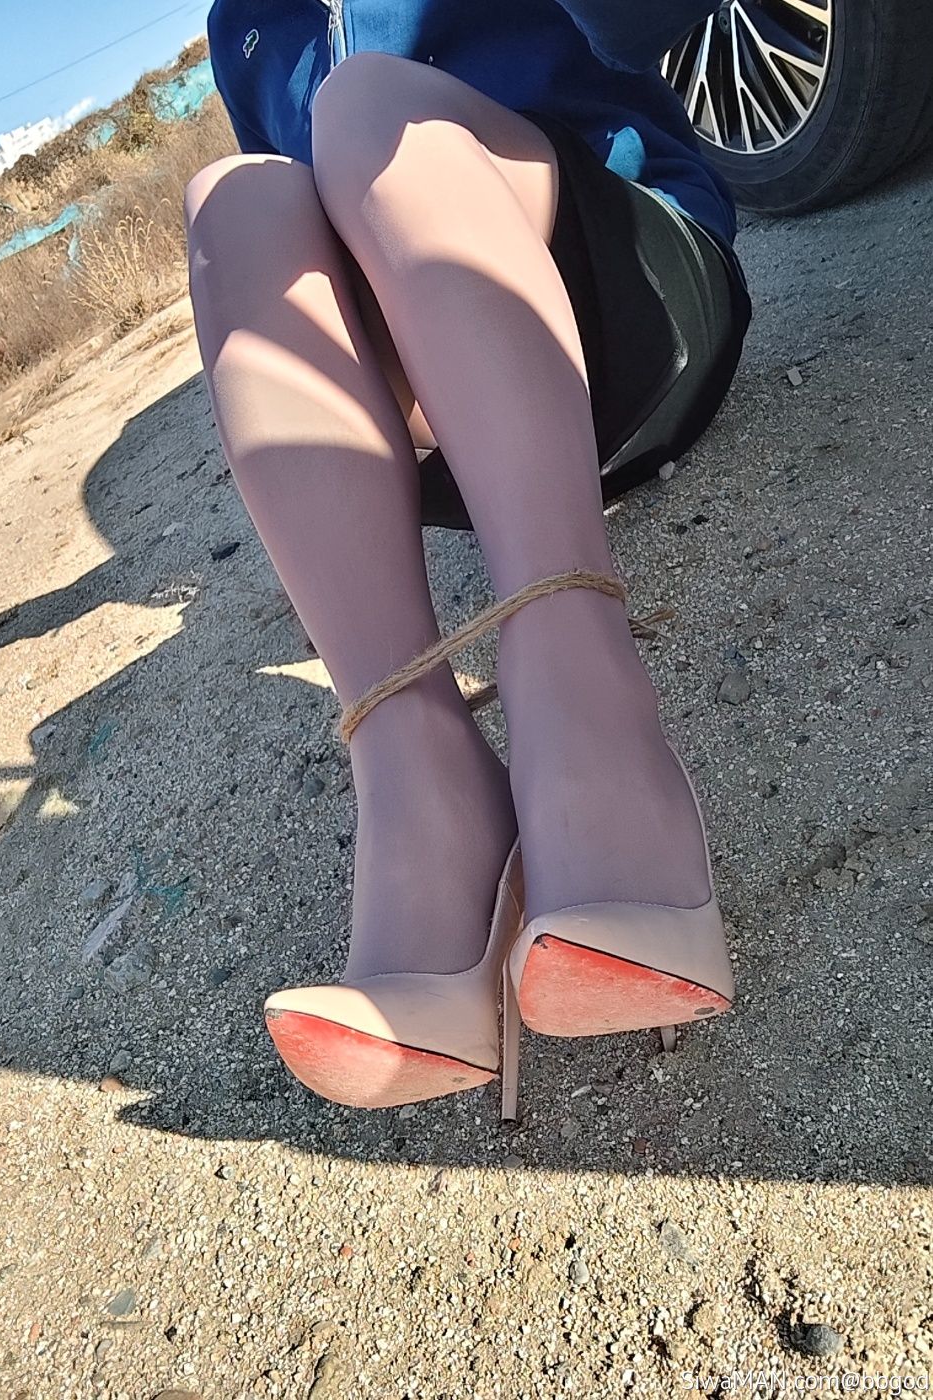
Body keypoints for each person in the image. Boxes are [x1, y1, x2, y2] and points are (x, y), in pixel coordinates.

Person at [185, 0, 752, 1119]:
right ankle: (427, 793)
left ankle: (590, 714)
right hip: (455, 434)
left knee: (364, 109)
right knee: (239, 202)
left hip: (632, 298)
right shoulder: (246, 25)